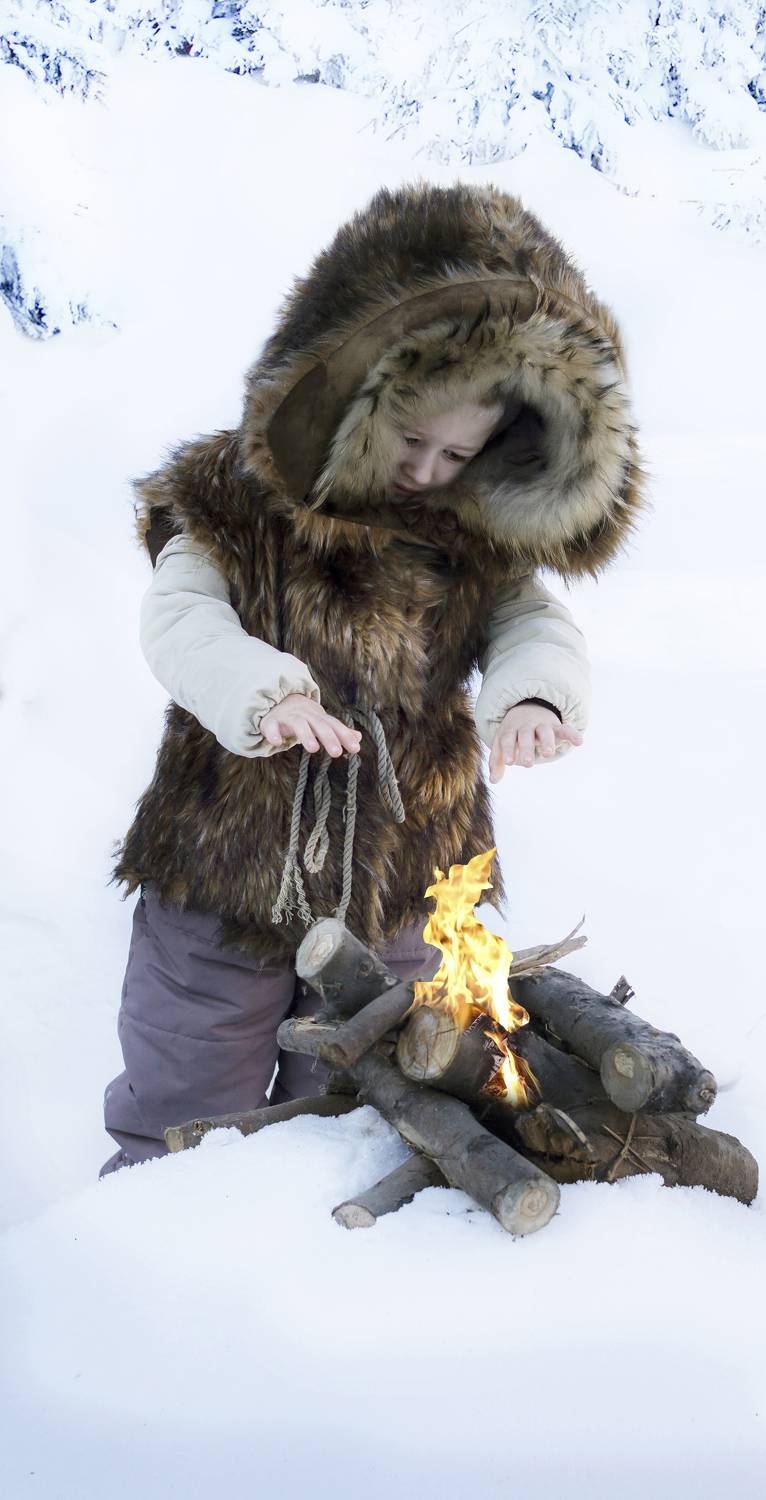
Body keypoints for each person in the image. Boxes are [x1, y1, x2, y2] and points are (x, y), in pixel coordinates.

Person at [100, 179, 648, 1177]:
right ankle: (161, 1238)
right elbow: (180, 618)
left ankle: (329, 1257)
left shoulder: (471, 532)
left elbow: (531, 621)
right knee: (190, 1095)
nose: (427, 471)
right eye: (410, 439)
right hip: (224, 869)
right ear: (352, 396)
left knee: (362, 1104)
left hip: (404, 883)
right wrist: (267, 693)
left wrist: (531, 692)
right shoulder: (234, 498)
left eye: (457, 452)